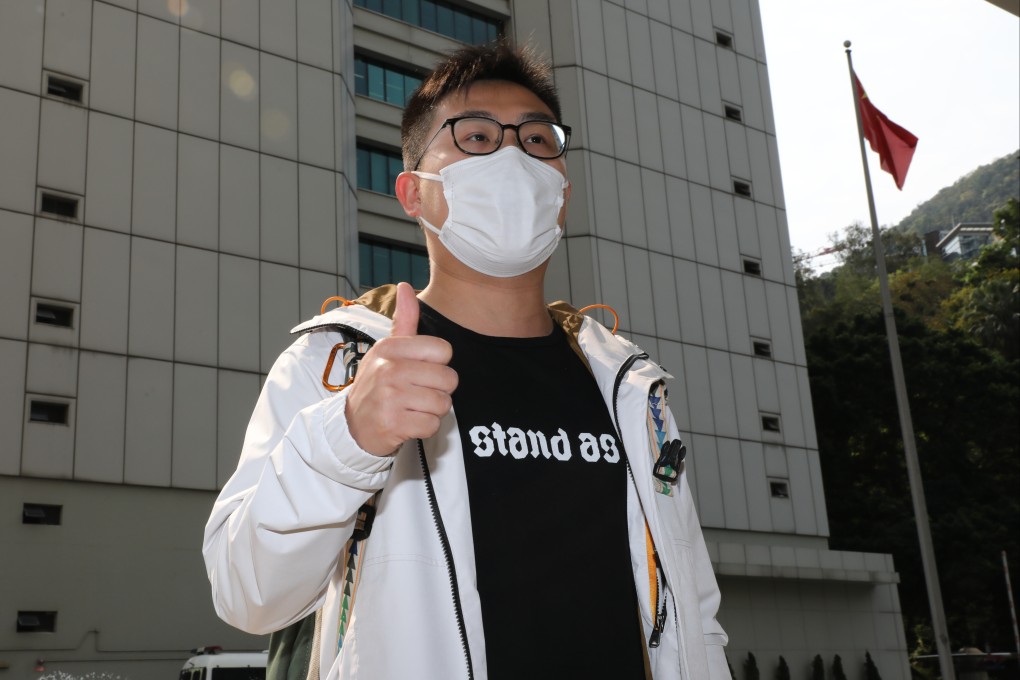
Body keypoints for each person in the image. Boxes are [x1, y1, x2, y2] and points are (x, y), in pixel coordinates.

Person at [203, 41, 728, 680]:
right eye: (476, 136)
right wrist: (348, 436)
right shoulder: (337, 363)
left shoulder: (631, 386)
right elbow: (247, 594)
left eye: (538, 141)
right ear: (412, 193)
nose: (514, 155)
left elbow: (696, 614)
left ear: (562, 193)